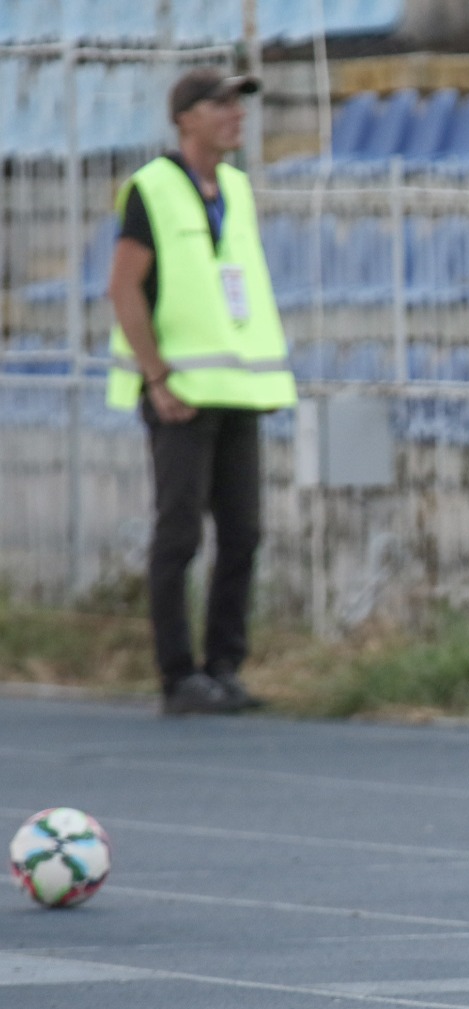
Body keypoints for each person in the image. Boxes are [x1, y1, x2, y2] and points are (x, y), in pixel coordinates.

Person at [106, 69, 296, 715]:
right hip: (180, 391)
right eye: (220, 104)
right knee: (179, 533)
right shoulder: (153, 188)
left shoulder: (237, 188)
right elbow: (124, 287)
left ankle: (223, 665)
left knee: (243, 532)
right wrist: (155, 376)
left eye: (238, 104)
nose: (235, 114)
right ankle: (177, 674)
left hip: (236, 387)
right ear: (185, 117)